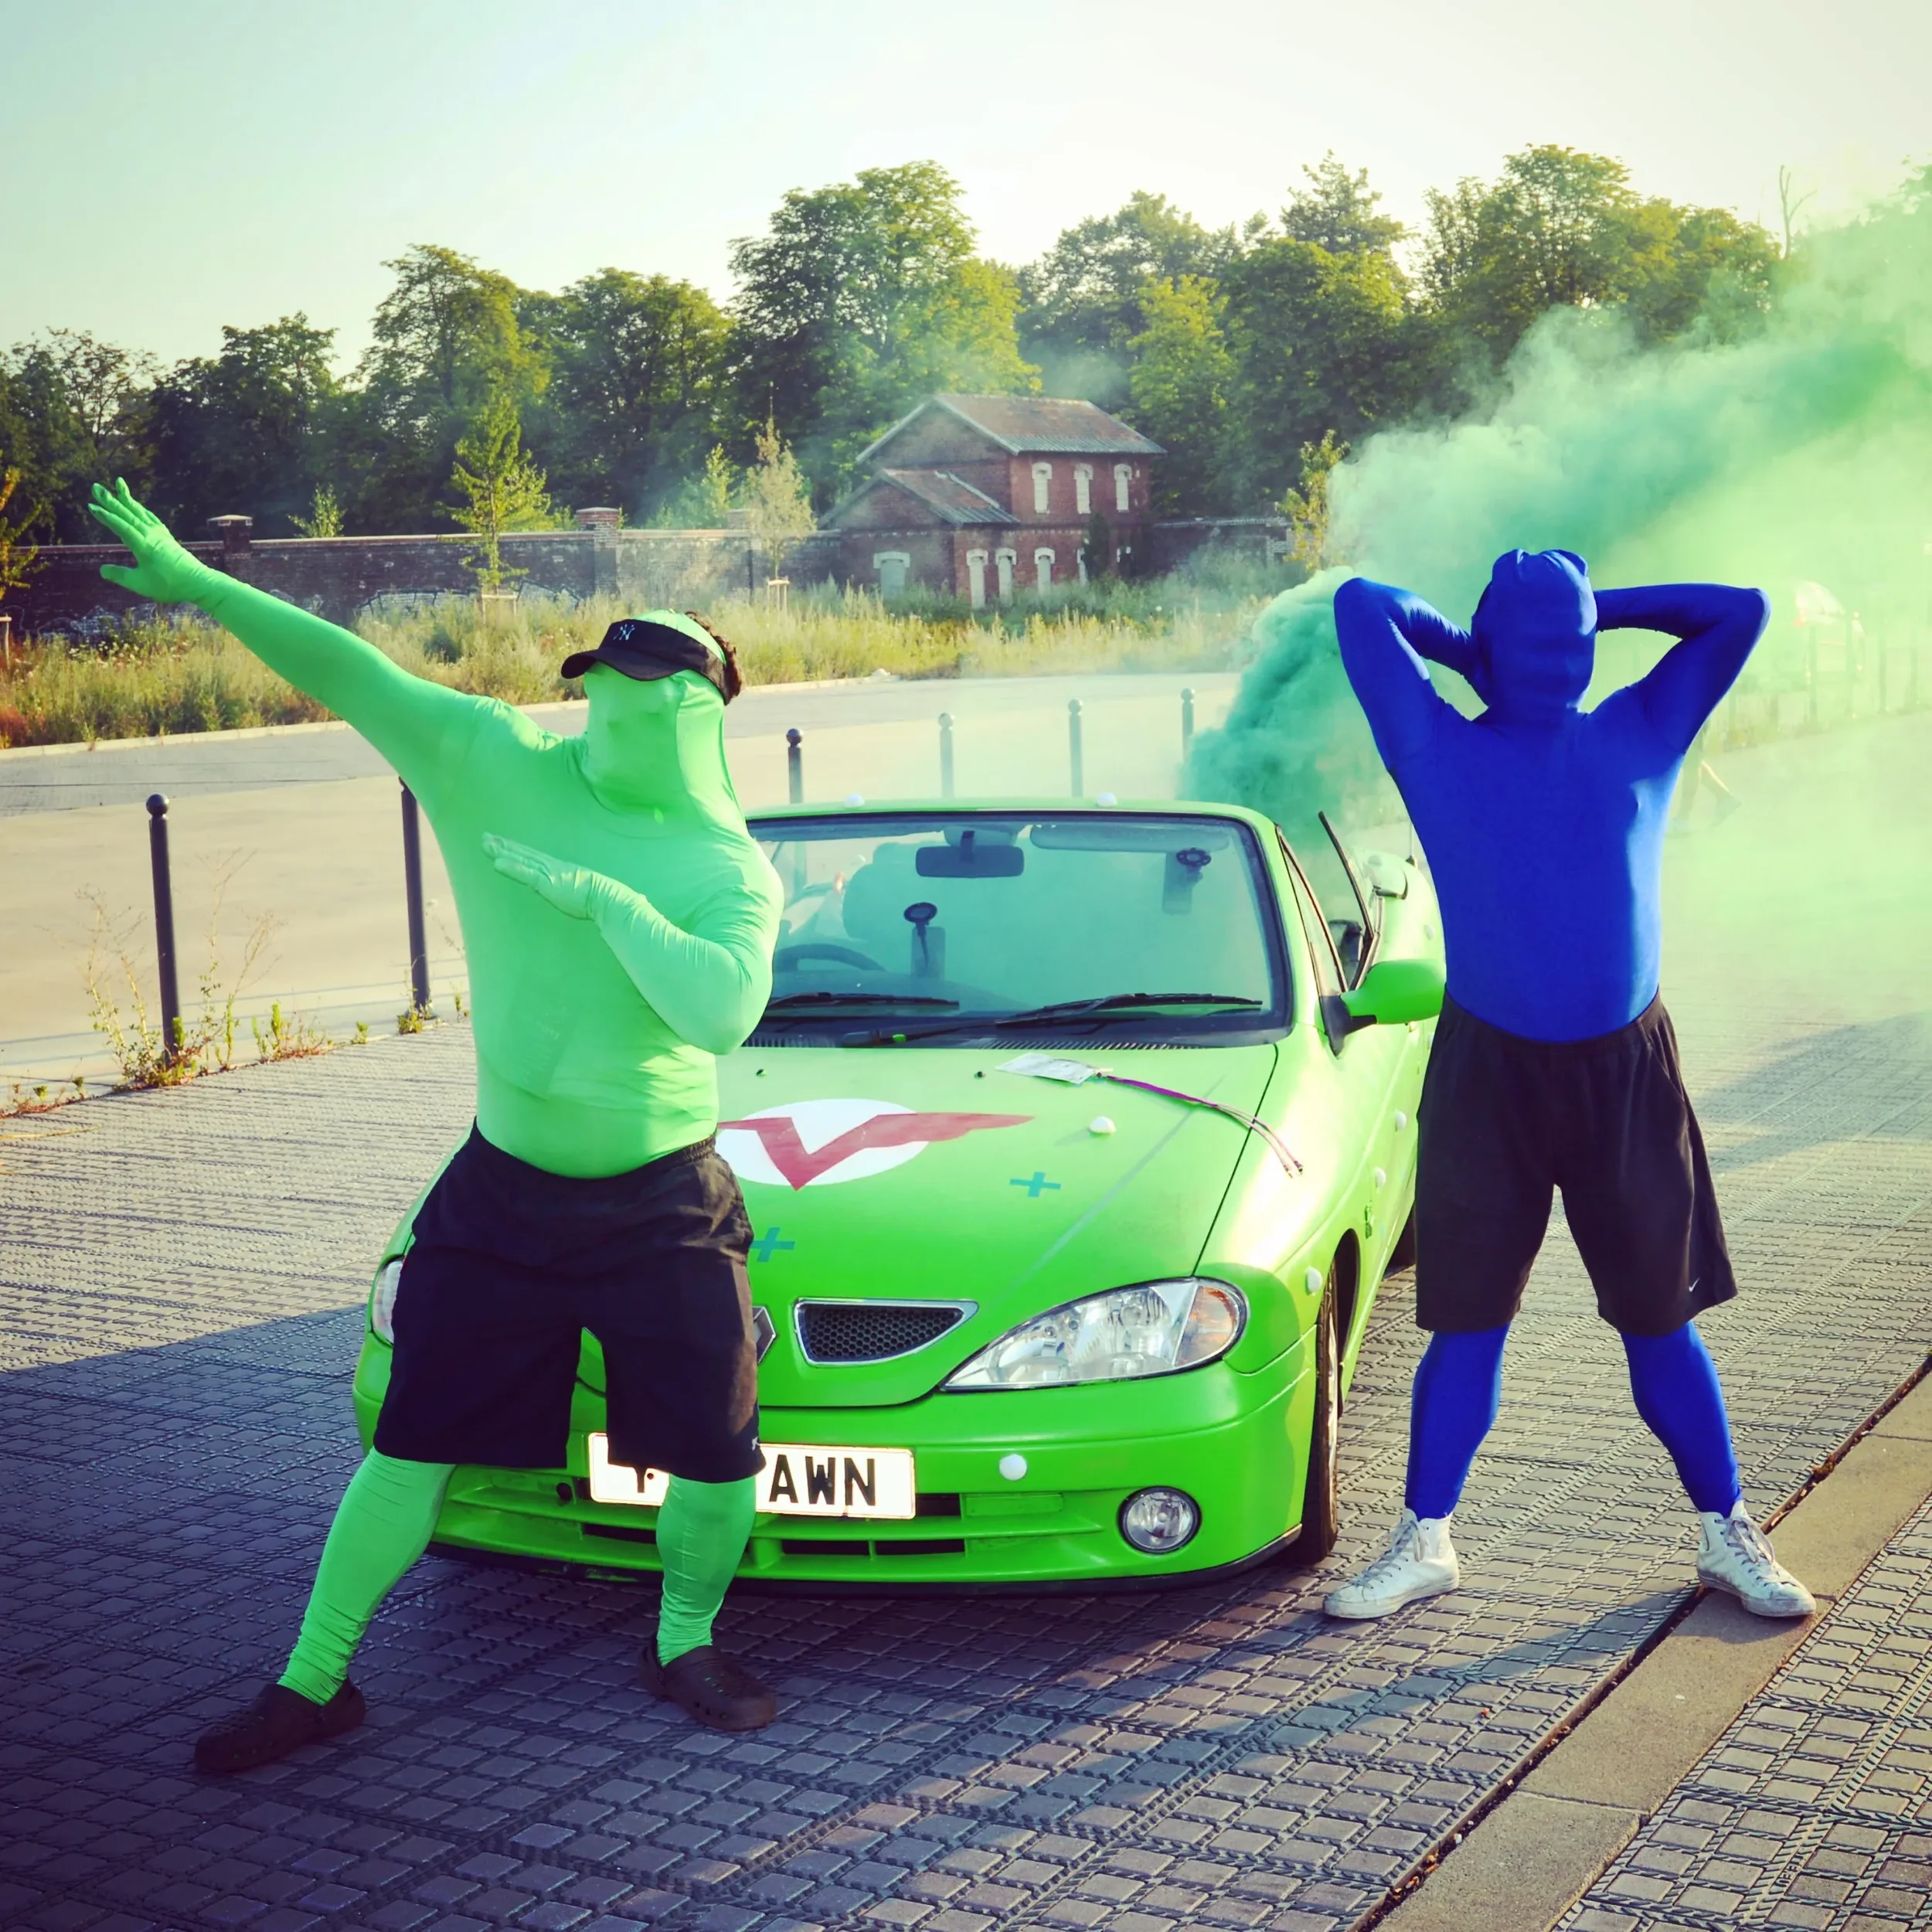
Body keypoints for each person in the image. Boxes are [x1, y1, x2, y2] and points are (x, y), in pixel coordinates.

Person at [84, 481, 786, 1768]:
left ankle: (684, 1639)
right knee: (409, 1445)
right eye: (598, 685)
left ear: (699, 710)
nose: (607, 709)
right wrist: (204, 583)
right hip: (502, 1190)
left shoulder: (726, 863)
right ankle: (312, 1684)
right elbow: (354, 671)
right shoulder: (492, 760)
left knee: (715, 1453)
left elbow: (724, 1012)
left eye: (641, 691)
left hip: (663, 1201)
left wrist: (609, 908)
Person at [1323, 550, 1814, 1623]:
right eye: (1547, 640)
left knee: (1657, 1327)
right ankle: (1426, 1540)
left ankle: (1725, 1530)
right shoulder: (1633, 725)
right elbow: (1737, 608)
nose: (1559, 657)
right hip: (1493, 1076)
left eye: (1568, 637)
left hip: (1621, 1074)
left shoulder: (1438, 739)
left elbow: (1364, 605)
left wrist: (1472, 649)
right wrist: (1595, 617)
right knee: (1472, 1326)